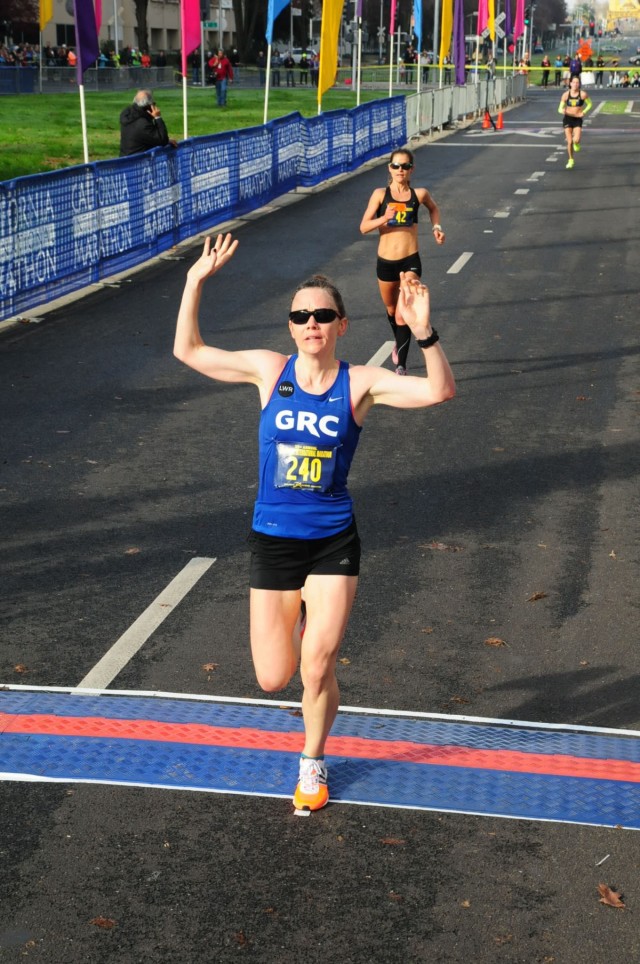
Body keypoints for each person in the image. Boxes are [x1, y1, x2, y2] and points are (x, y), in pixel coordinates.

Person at [173, 233, 455, 812]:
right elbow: (190, 351)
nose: (311, 324)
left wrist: (423, 330)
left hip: (332, 541)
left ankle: (312, 759)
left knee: (318, 663)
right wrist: (193, 283)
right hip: (274, 543)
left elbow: (439, 390)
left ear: (342, 326)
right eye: (301, 316)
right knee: (274, 678)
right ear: (291, 326)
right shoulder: (267, 372)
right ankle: (300, 626)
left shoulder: (359, 384)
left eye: (323, 316)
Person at [359, 149, 445, 375]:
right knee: (390, 309)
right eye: (396, 166)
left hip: (410, 260)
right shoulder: (380, 194)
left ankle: (401, 366)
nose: (400, 170)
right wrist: (384, 218)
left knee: (401, 313)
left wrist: (436, 228)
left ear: (411, 170)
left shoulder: (420, 194)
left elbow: (434, 209)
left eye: (405, 166)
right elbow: (363, 227)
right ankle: (399, 340)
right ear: (389, 168)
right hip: (386, 262)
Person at [119, 89, 177, 156]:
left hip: (125, 160)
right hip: (138, 162)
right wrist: (158, 118)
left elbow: (146, 139)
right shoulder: (143, 124)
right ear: (150, 106)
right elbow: (162, 140)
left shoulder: (129, 116)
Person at [558, 73, 592, 170]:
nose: (576, 84)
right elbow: (559, 109)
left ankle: (576, 143)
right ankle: (571, 159)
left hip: (577, 119)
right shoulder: (565, 95)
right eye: (574, 82)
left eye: (578, 83)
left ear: (579, 84)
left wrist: (584, 112)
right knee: (569, 141)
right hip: (568, 119)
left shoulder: (583, 94)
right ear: (570, 83)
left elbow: (590, 104)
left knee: (575, 140)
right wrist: (563, 110)